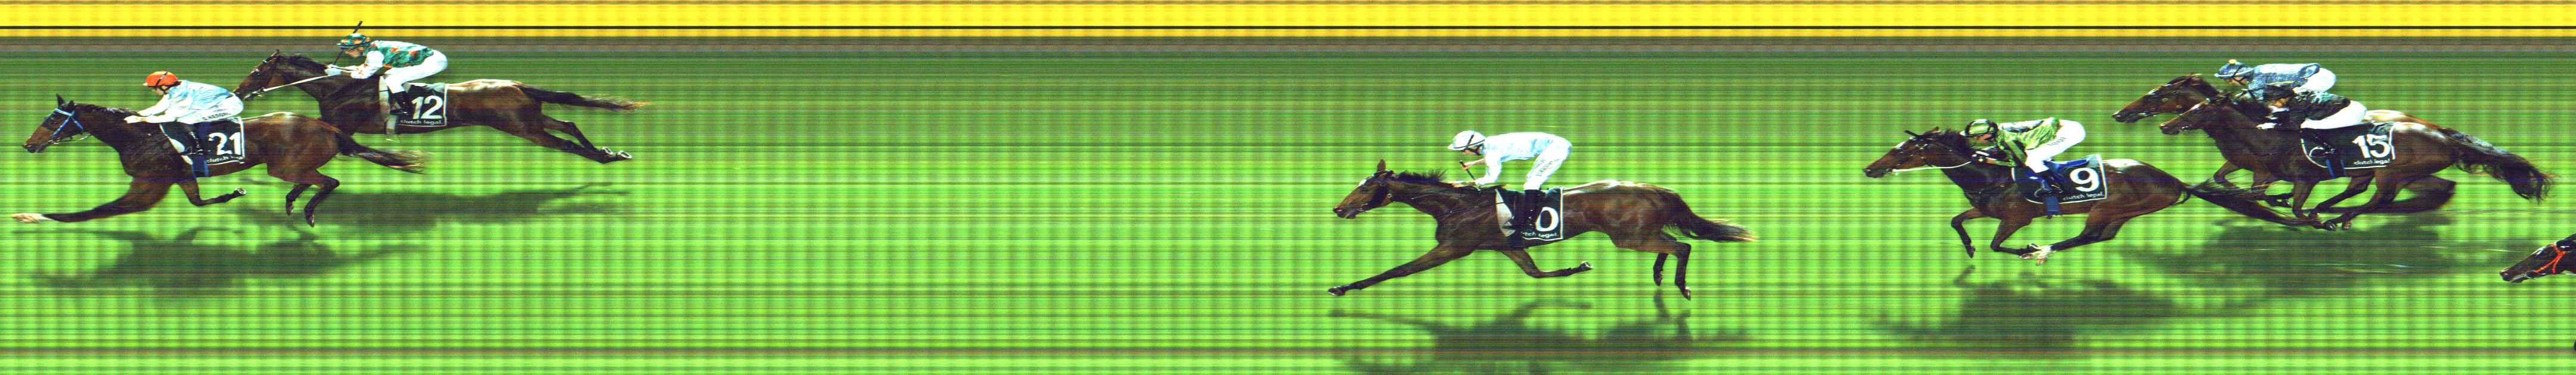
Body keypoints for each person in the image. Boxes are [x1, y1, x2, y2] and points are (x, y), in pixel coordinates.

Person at [1447, 131, 1571, 233]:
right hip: (1554, 145)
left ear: (1473, 147)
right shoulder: (1490, 143)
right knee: (1531, 180)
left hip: (1556, 148)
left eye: (1463, 150)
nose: (1464, 153)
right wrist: (1474, 163)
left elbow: (1491, 178)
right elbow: (1495, 157)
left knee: (1532, 183)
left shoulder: (1491, 152)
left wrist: (1467, 183)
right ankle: (1536, 204)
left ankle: (1528, 223)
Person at [325, 33, 448, 128]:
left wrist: (339, 73)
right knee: (388, 77)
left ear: (361, 47)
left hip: (434, 62)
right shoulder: (373, 48)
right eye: (345, 49)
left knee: (393, 81)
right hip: (425, 58)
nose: (347, 52)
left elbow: (364, 75)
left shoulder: (375, 54)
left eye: (350, 49)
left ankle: (407, 109)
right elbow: (365, 67)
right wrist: (340, 68)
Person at [2251, 82, 2373, 170]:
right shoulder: (2297, 95)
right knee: (2307, 122)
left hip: (2350, 114)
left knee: (2305, 127)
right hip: (2353, 107)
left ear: (2283, 98)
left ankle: (2330, 149)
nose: (2273, 105)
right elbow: (2292, 115)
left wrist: (2272, 126)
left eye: (2273, 102)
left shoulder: (2297, 102)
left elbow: (2294, 125)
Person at [126, 72, 243, 157]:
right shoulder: (174, 88)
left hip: (229, 107)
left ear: (164, 86)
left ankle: (199, 148)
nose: (153, 91)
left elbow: (170, 118)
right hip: (216, 103)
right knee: (185, 118)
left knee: (186, 120)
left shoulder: (180, 94)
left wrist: (142, 120)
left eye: (154, 88)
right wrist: (138, 114)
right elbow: (159, 107)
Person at [1963, 117, 2086, 197]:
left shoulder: (2008, 139)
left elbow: (2019, 163)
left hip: (2070, 133)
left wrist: (1989, 161)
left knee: (2033, 160)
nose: (1975, 139)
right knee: (2033, 153)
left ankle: (2057, 188)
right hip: (2064, 127)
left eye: (1976, 137)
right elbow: (2004, 146)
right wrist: (1986, 151)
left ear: (1987, 135)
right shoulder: (2000, 130)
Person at [2216, 59, 2336, 95]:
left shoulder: (2255, 83)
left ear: (2238, 76)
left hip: (2318, 81)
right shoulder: (2259, 68)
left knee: (2281, 107)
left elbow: (2263, 103)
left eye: (2229, 80)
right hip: (2321, 73)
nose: (2230, 83)